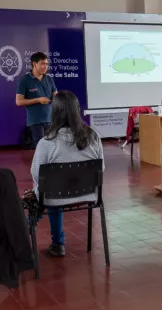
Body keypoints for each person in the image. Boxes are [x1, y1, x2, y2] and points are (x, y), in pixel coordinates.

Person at [31, 91, 104, 257]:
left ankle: (57, 243)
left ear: (54, 112)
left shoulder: (46, 142)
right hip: (90, 194)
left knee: (46, 192)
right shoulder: (94, 137)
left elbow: (36, 175)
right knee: (50, 189)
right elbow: (102, 168)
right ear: (77, 110)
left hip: (54, 197)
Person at [16, 52, 58, 148]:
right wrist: (38, 100)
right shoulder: (25, 80)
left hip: (51, 120)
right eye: (43, 64)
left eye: (47, 64)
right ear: (34, 64)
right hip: (35, 121)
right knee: (41, 149)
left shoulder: (49, 79)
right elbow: (18, 101)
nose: (46, 66)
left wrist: (57, 99)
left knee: (53, 148)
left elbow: (56, 95)